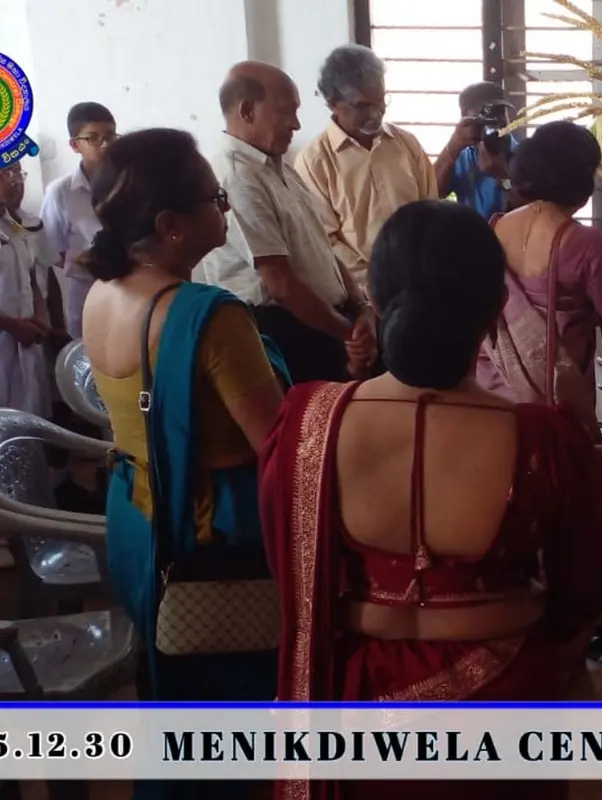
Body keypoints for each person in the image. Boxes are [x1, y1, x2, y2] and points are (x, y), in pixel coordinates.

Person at [260, 199, 602, 800]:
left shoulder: (307, 422)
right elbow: (583, 588)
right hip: (505, 707)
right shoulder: (544, 437)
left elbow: (287, 568)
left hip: (355, 710)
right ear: (497, 308)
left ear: (374, 300)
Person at [80, 128, 289, 799]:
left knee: (174, 682)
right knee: (231, 697)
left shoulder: (102, 293)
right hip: (211, 533)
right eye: (215, 199)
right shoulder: (209, 316)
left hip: (135, 519)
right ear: (171, 225)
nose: (225, 209)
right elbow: (277, 444)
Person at [197, 60, 377, 383]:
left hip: (329, 322)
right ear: (247, 111)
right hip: (287, 332)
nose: (296, 124)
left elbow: (321, 250)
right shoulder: (237, 177)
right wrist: (349, 334)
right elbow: (280, 284)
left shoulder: (278, 167)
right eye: (286, 111)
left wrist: (360, 308)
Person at [477, 120, 602, 436]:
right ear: (582, 180)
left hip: (494, 393)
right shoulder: (585, 241)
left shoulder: (495, 227)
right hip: (556, 402)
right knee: (558, 465)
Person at [294, 45, 438, 291]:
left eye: (381, 101)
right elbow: (325, 241)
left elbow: (431, 212)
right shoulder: (314, 162)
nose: (375, 114)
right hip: (360, 294)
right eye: (362, 106)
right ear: (332, 103)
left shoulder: (407, 145)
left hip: (420, 282)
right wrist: (372, 284)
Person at [0, 160, 55, 569]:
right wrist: (12, 325)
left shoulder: (16, 225)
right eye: (4, 172)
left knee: (25, 430)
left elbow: (34, 276)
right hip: (6, 342)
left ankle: (31, 527)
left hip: (25, 345)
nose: (15, 180)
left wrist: (40, 315)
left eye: (18, 172)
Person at [40, 101, 119, 340]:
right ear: (75, 145)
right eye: (93, 138)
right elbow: (50, 252)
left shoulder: (128, 183)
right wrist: (88, 263)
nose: (105, 145)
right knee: (89, 354)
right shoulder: (61, 192)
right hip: (86, 294)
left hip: (131, 289)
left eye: (111, 136)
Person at [435, 81, 520, 218]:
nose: (497, 121)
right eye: (486, 113)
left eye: (501, 112)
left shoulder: (524, 154)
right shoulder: (460, 156)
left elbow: (537, 209)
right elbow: (433, 192)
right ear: (465, 114)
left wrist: (503, 177)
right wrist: (453, 146)